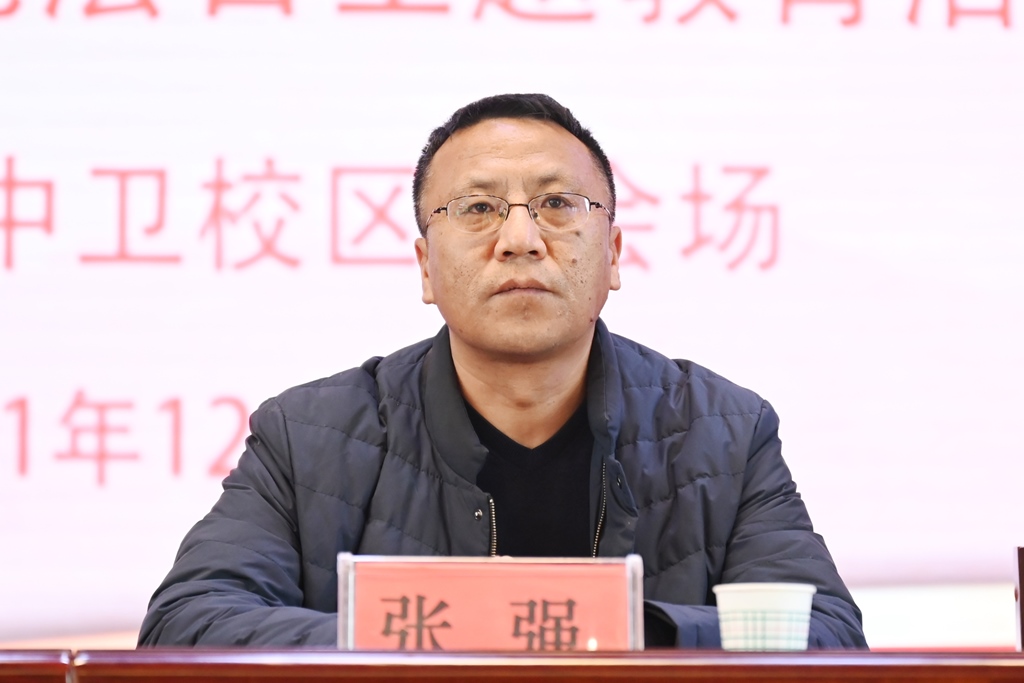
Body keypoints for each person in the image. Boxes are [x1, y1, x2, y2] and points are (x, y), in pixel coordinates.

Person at [138, 93, 866, 649]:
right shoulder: (308, 437)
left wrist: (623, 632)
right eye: (479, 208)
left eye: (557, 204)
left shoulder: (723, 432)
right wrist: (448, 634)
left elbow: (827, 632)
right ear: (426, 266)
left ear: (614, 254)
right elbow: (186, 622)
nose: (520, 239)